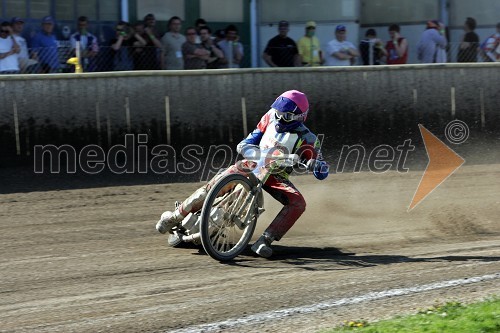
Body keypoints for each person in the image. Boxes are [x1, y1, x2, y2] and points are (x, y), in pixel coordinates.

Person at [156, 90, 329, 258]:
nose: (278, 118)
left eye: (285, 115)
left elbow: (322, 171)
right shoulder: (269, 116)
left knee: (298, 202)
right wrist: (247, 147)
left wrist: (316, 165)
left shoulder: (309, 139)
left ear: (298, 117)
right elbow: (249, 140)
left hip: (276, 176)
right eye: (277, 112)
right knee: (214, 185)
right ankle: (176, 215)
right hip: (252, 164)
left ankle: (265, 240)